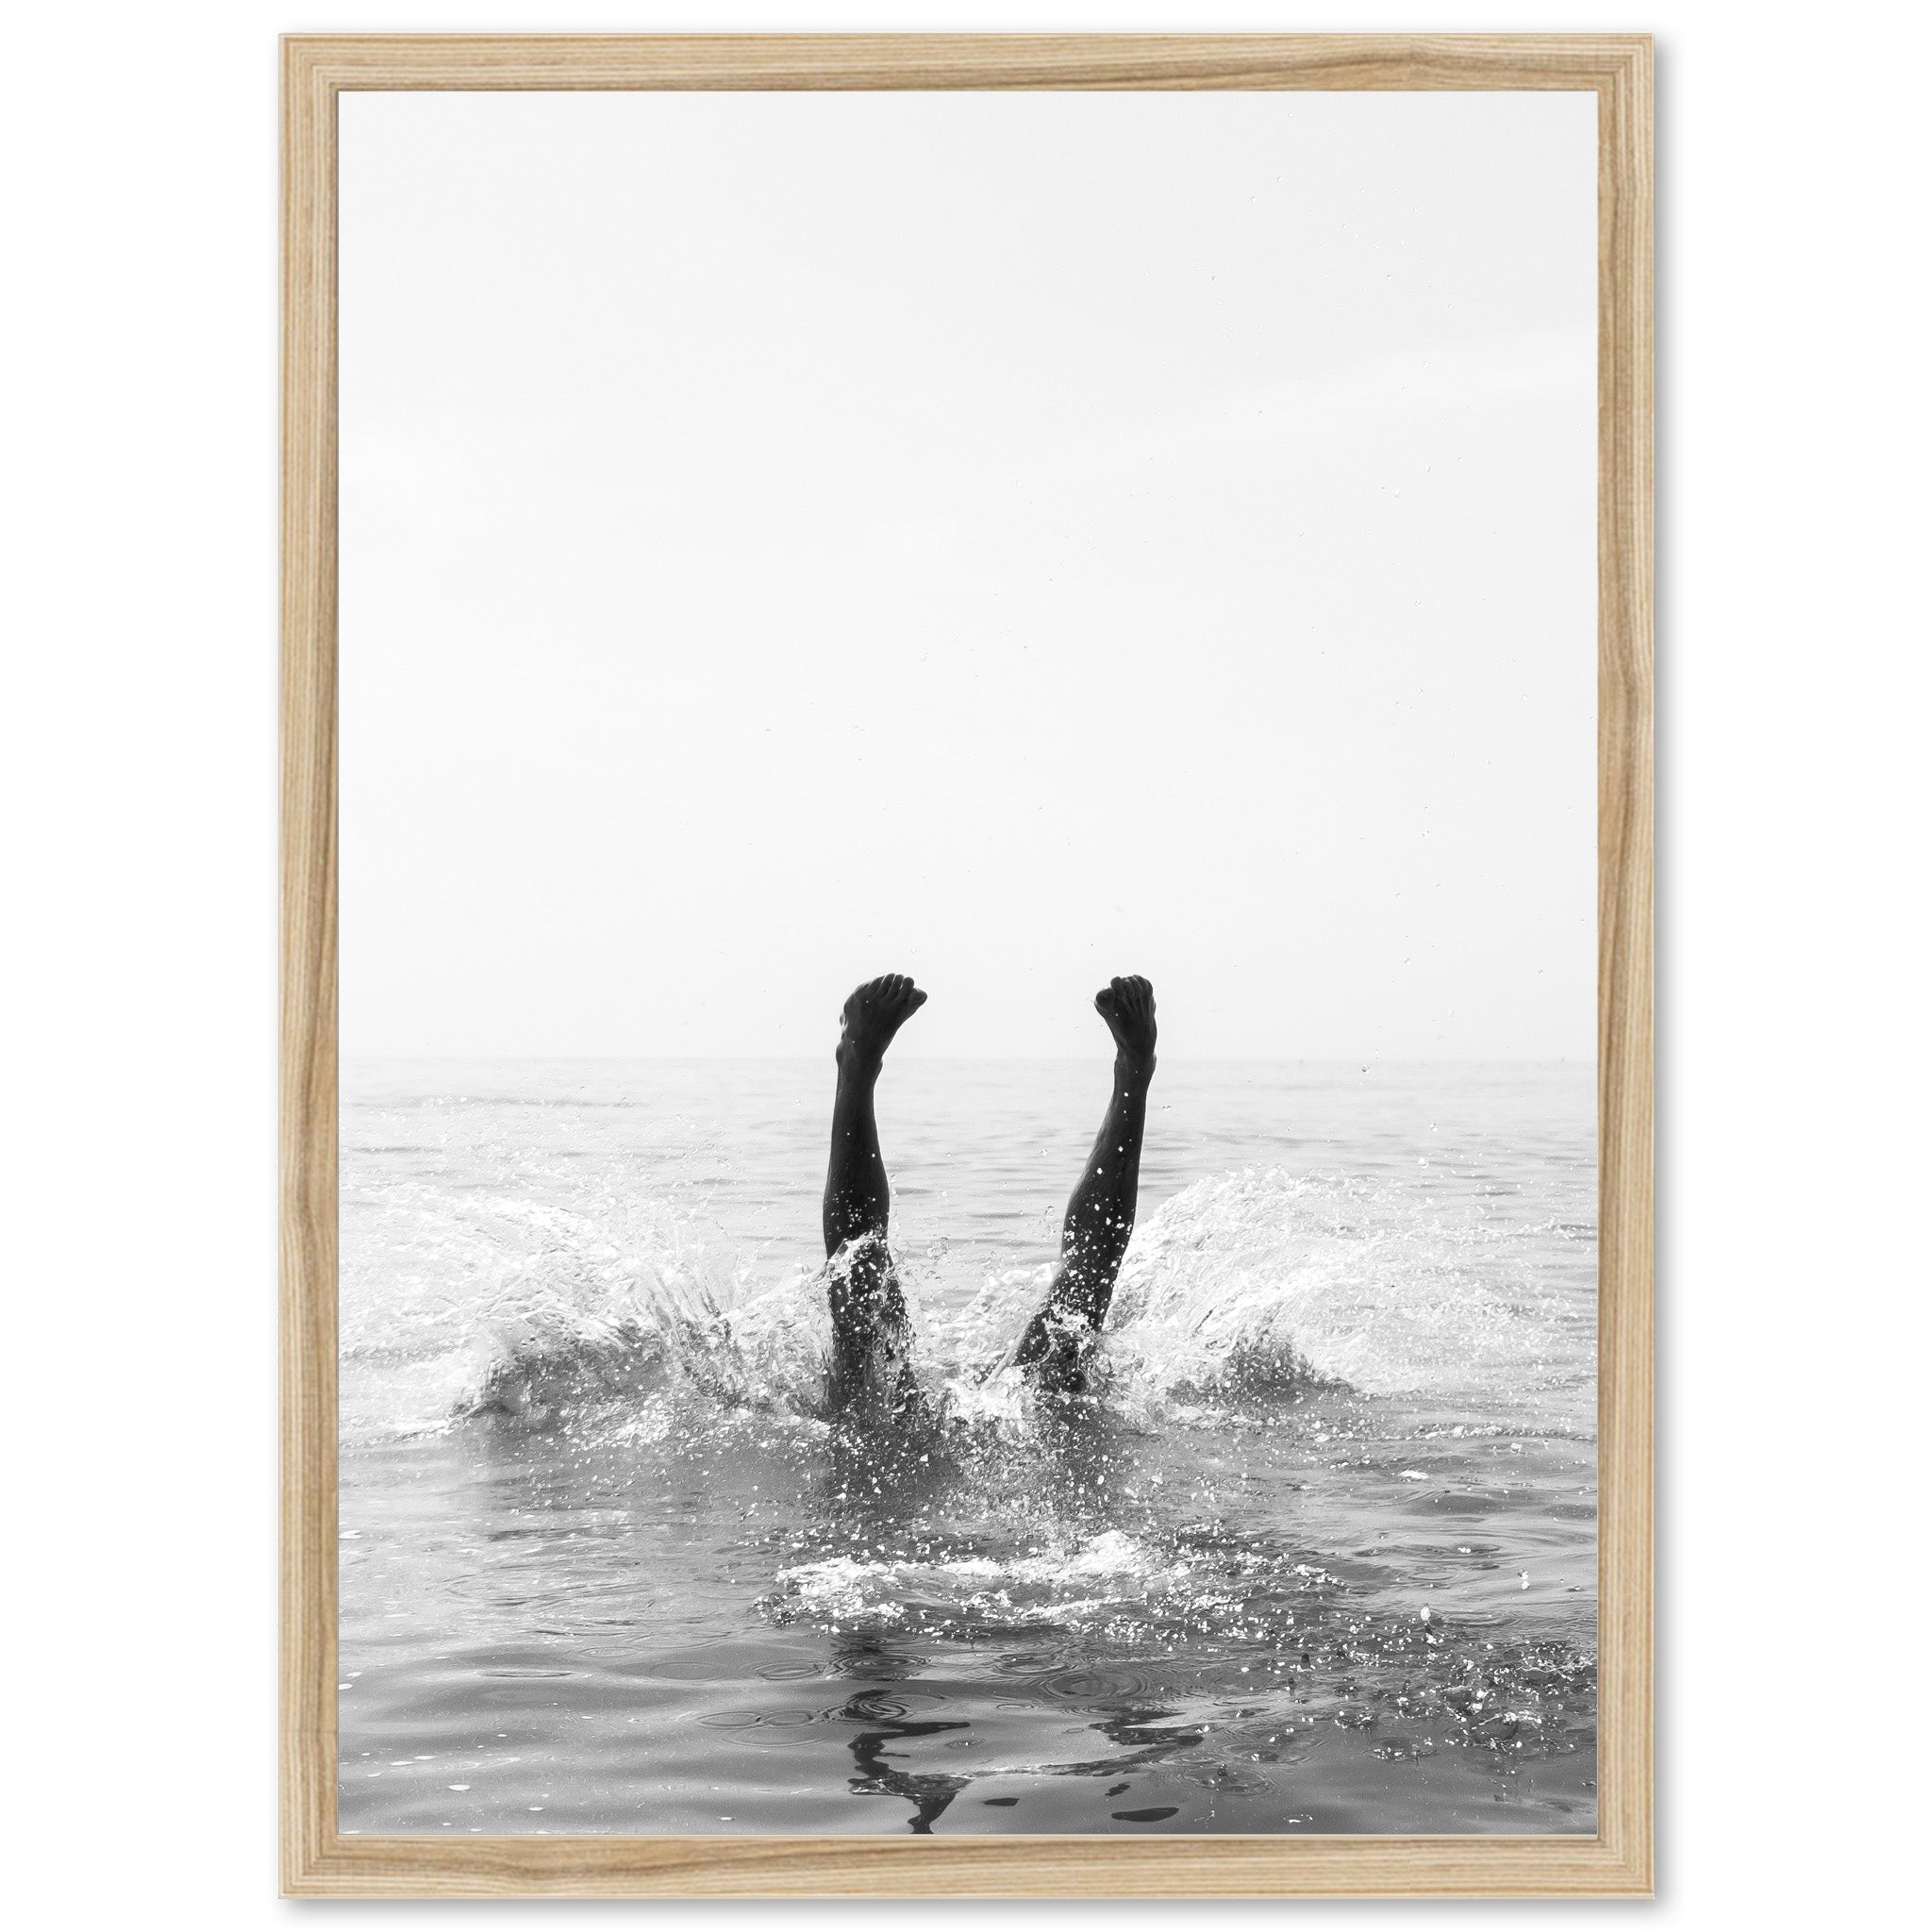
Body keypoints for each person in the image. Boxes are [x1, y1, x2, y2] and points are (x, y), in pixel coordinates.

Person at [821, 972, 1158, 1407]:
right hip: (937, 1438)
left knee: (863, 1282)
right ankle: (856, 1065)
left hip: (935, 1434)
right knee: (1075, 1311)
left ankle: (1134, 1068)